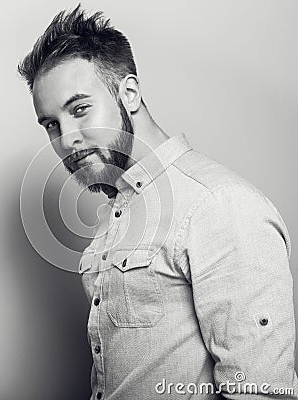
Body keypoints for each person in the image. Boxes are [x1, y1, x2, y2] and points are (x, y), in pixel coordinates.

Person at [18, 4, 298, 399]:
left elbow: (261, 391)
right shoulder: (116, 213)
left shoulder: (219, 205)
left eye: (80, 109)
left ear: (128, 93)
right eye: (52, 125)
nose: (67, 138)